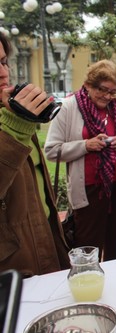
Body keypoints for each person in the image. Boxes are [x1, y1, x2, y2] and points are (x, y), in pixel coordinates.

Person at [44, 60, 116, 261]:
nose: (108, 96)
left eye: (113, 92)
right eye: (102, 90)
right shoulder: (68, 107)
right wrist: (86, 145)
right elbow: (51, 150)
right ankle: (89, 287)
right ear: (89, 85)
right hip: (89, 191)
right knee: (87, 250)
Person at [0, 32, 69, 277]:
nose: (3, 72)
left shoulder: (10, 112)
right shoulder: (12, 120)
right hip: (12, 272)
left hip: (42, 250)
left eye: (3, 61)